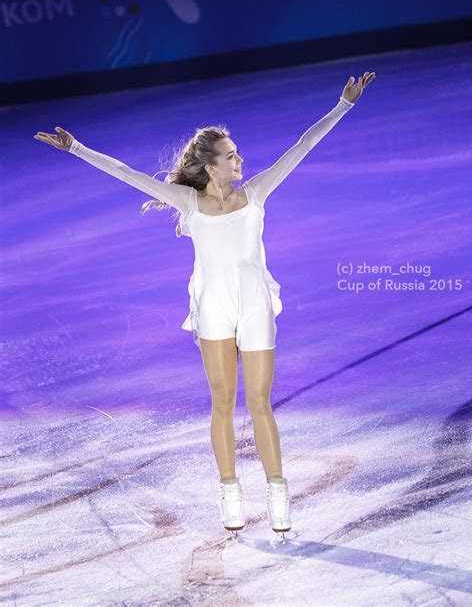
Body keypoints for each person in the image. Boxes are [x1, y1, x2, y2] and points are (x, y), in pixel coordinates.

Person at [34, 72, 376, 537]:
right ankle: (230, 491)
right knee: (222, 404)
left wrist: (343, 105)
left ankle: (277, 493)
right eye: (231, 156)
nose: (240, 160)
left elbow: (302, 146)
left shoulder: (255, 193)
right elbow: (127, 174)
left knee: (260, 403)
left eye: (237, 154)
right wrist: (76, 148)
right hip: (214, 307)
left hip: (255, 305)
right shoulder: (188, 203)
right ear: (211, 166)